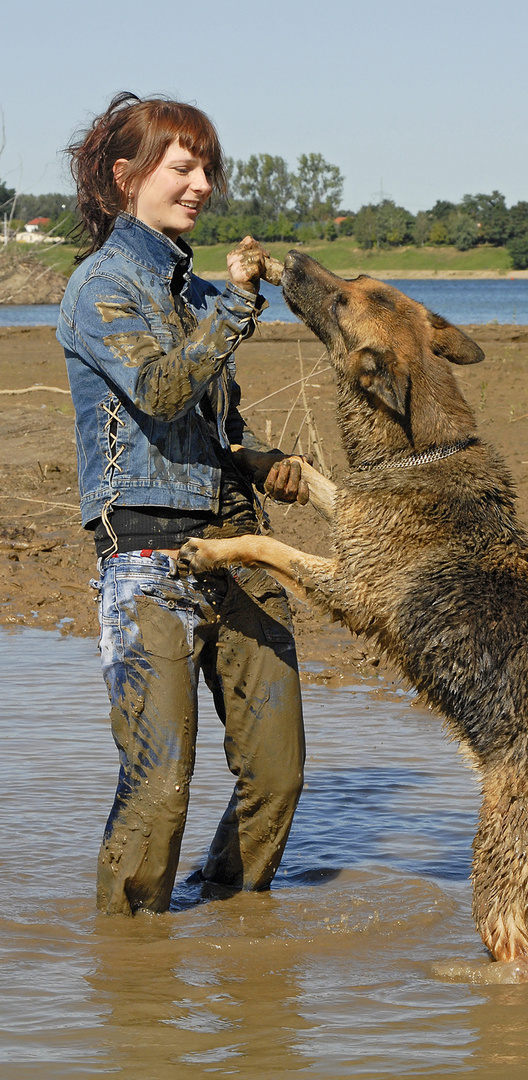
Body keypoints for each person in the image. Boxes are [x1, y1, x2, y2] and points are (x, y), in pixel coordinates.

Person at [58, 92, 307, 915]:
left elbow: (216, 427)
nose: (201, 183)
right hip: (145, 562)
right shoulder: (96, 288)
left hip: (240, 551)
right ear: (124, 177)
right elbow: (162, 392)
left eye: (207, 168)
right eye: (182, 166)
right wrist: (239, 303)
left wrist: (263, 459)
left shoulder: (199, 296)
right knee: (160, 785)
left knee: (276, 776)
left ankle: (237, 931)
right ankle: (132, 961)